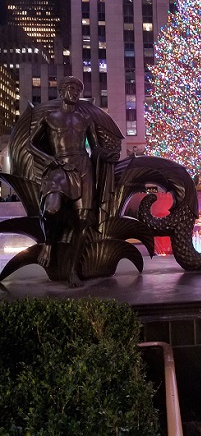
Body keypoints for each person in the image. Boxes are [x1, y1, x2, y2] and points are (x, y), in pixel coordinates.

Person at [28, 76, 119, 286]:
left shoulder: (85, 119)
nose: (75, 93)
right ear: (61, 91)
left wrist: (105, 155)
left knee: (83, 220)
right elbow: (31, 144)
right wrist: (49, 159)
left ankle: (72, 270)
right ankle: (49, 244)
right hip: (58, 167)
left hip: (83, 167)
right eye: (71, 88)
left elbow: (94, 147)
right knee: (52, 209)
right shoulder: (50, 117)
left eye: (78, 90)